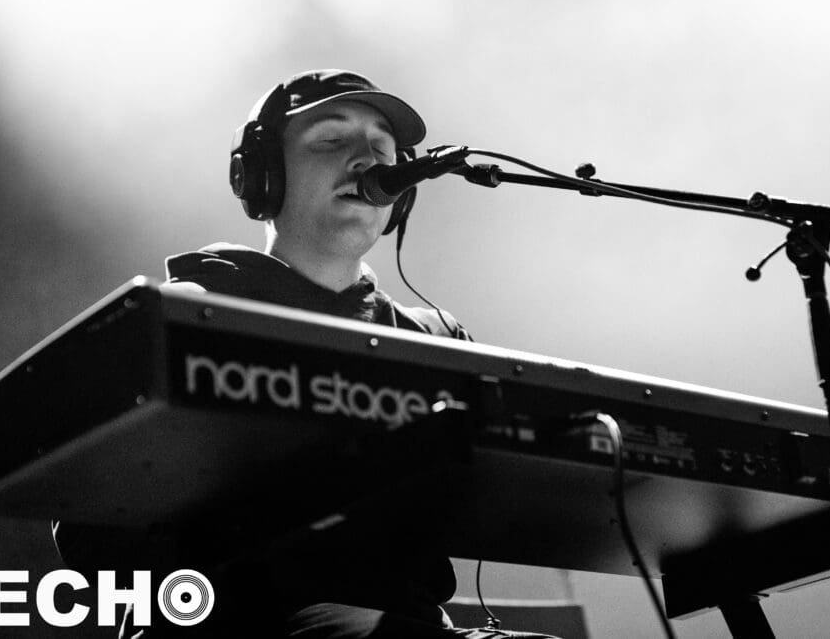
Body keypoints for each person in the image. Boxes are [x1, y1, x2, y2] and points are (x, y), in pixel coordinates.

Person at [55, 70, 558, 639]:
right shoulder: (183, 317)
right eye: (332, 140)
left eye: (382, 149)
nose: (367, 161)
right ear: (261, 176)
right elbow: (90, 533)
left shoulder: (435, 340)